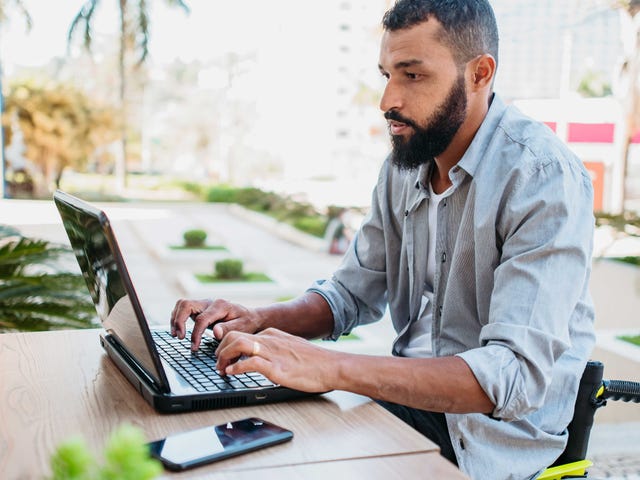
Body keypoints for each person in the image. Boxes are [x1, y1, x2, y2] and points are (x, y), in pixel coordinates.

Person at [170, 1, 596, 478]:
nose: (387, 99)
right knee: (223, 423)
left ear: (479, 74)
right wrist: (259, 321)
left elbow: (510, 377)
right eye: (386, 74)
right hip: (400, 400)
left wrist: (328, 367)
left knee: (273, 459)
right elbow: (351, 294)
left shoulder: (542, 177)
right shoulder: (404, 166)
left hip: (490, 437)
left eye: (412, 76)